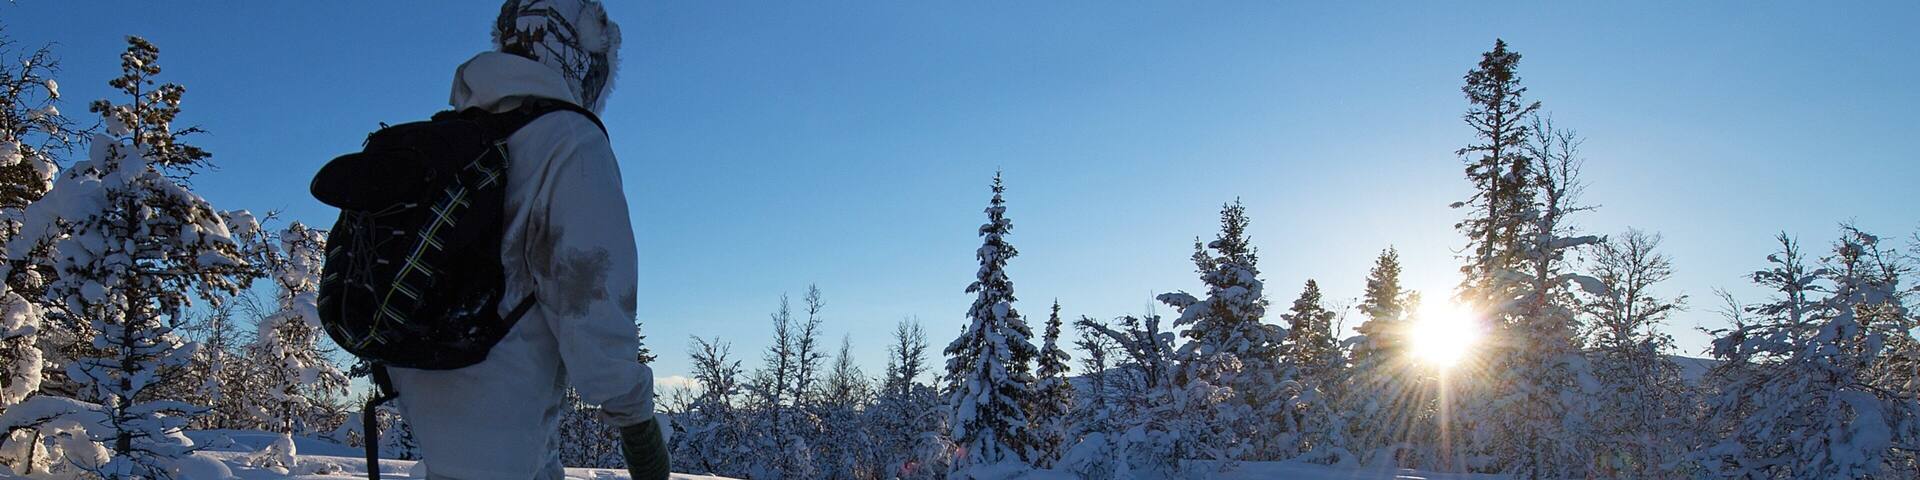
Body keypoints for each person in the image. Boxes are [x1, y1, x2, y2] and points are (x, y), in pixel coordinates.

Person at [385, 1, 668, 478]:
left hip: (432, 412)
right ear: (580, 51)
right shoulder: (569, 140)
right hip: (506, 423)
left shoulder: (456, 137)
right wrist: (638, 426)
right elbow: (590, 294)